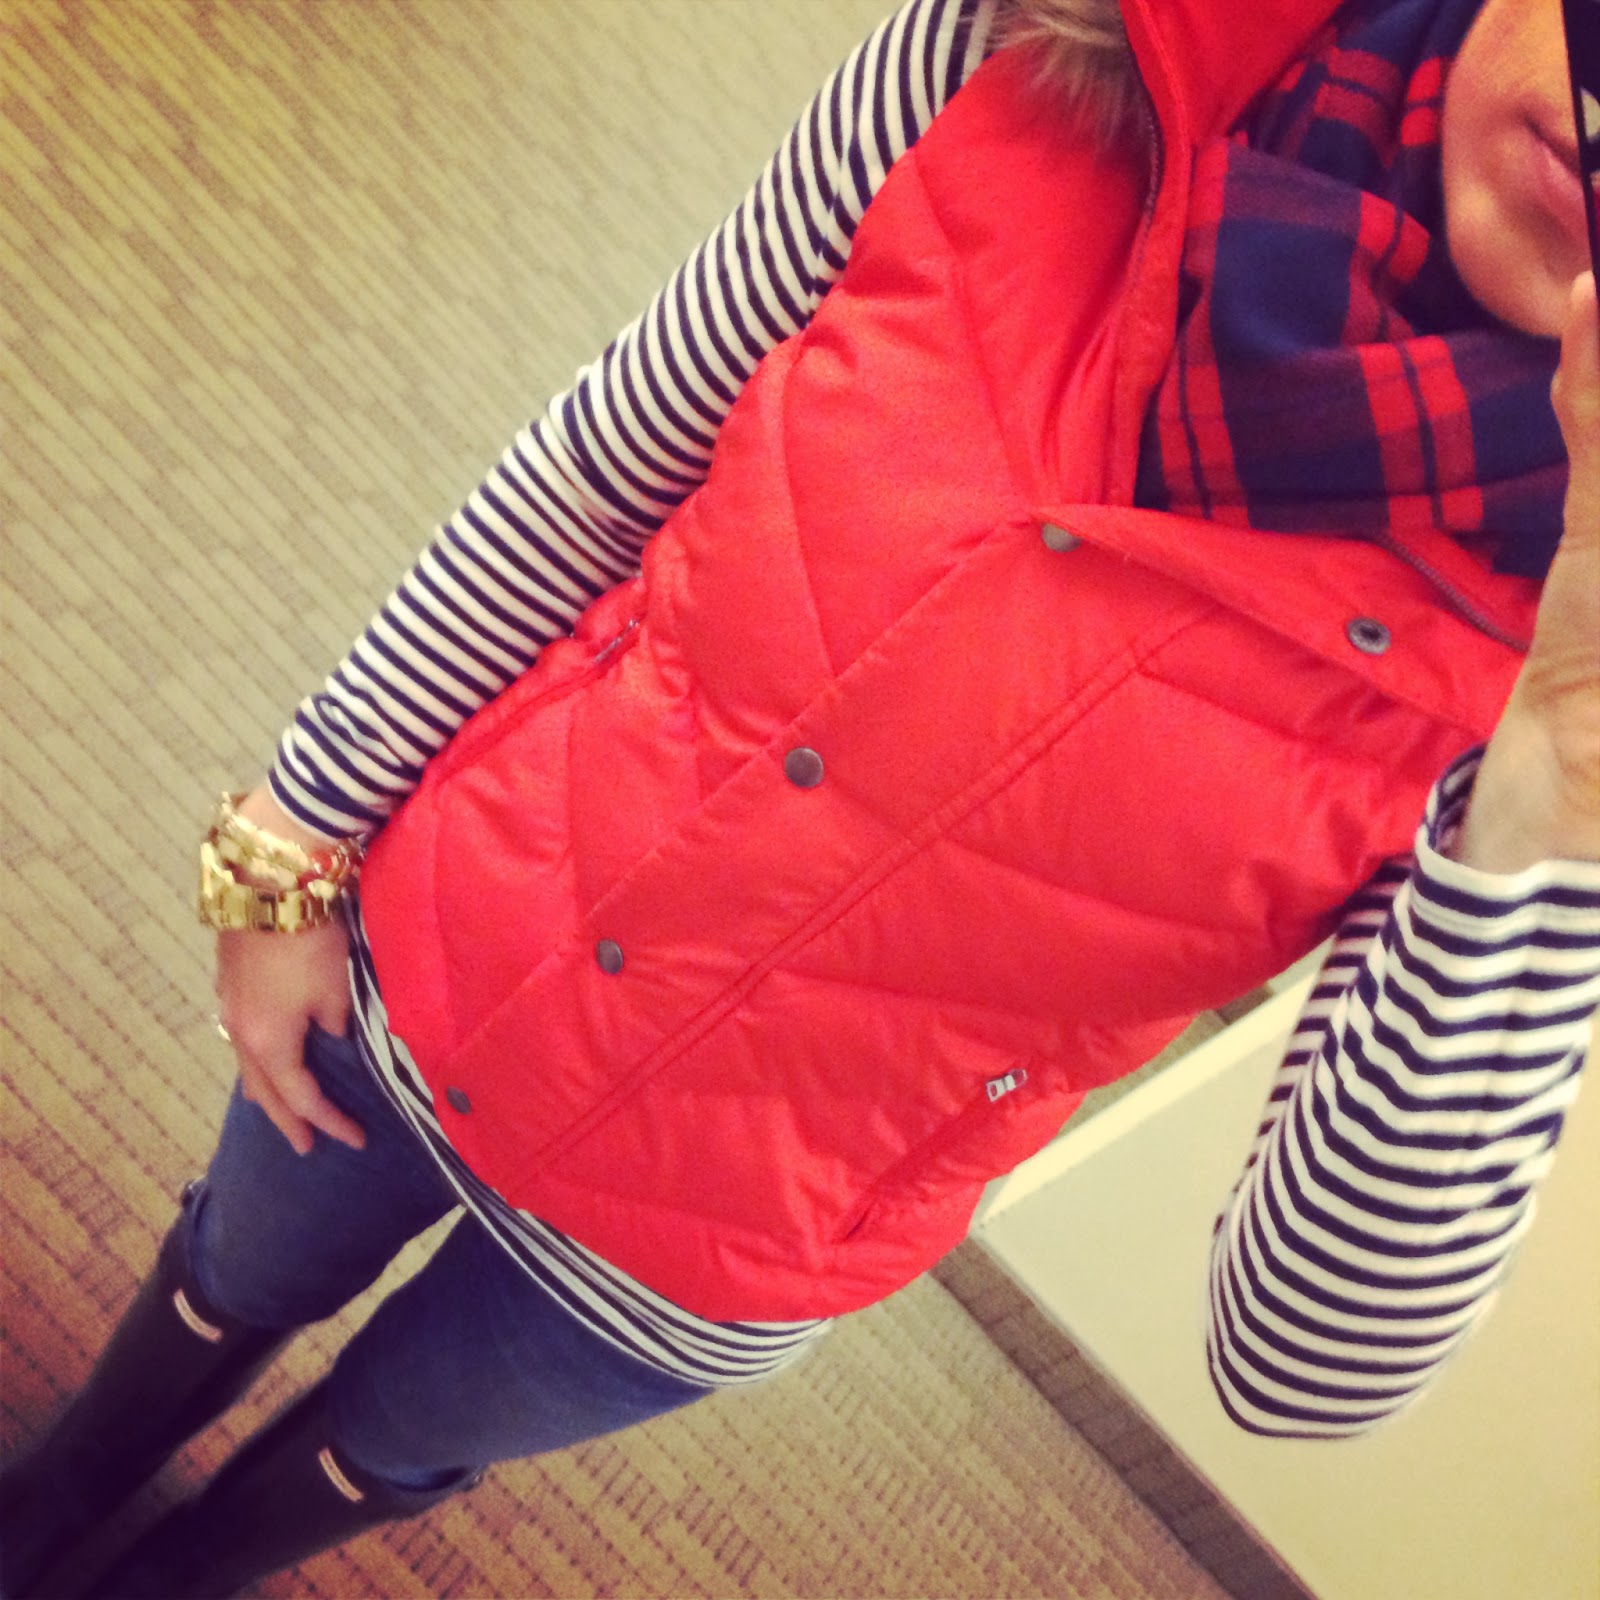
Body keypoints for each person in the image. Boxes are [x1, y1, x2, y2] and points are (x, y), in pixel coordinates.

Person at [3, 0, 1597, 1593]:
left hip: (719, 1245)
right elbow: (609, 464)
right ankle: (70, 1478)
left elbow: (1295, 1358)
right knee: (235, 1262)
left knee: (394, 1444)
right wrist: (290, 837)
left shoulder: (1560, 662)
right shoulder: (1056, 47)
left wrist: (1550, 799)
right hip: (444, 951)